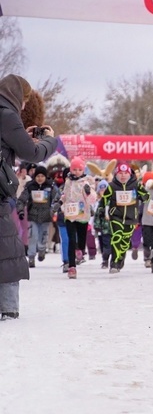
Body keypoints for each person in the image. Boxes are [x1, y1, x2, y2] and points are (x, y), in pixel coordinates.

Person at [0, 75, 57, 320]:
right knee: (8, 247)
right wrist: (49, 141)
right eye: (23, 101)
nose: (24, 106)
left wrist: (21, 134)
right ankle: (9, 307)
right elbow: (32, 153)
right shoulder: (6, 115)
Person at [101, 163, 148, 273]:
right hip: (116, 216)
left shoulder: (136, 185)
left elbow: (146, 196)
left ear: (129, 174)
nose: (123, 176)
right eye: (120, 173)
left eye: (125, 173)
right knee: (116, 236)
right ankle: (114, 262)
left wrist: (143, 196)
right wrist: (101, 210)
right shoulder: (112, 186)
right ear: (116, 175)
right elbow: (104, 199)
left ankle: (121, 257)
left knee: (125, 242)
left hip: (131, 217)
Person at [57, 156, 98, 279]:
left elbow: (92, 199)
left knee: (81, 239)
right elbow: (65, 195)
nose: (76, 172)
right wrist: (59, 203)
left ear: (83, 170)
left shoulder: (88, 181)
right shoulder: (68, 181)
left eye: (79, 170)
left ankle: (80, 249)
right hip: (70, 214)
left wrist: (88, 191)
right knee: (71, 240)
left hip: (82, 215)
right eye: (74, 169)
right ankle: (72, 267)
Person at [16, 165, 59, 268]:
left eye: (42, 176)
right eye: (38, 176)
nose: (40, 178)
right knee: (33, 235)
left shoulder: (50, 187)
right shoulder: (30, 187)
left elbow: (57, 198)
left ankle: (42, 250)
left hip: (46, 216)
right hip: (33, 215)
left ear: (45, 177)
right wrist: (20, 210)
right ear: (34, 177)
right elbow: (22, 199)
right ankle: (31, 256)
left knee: (43, 235)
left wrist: (54, 210)